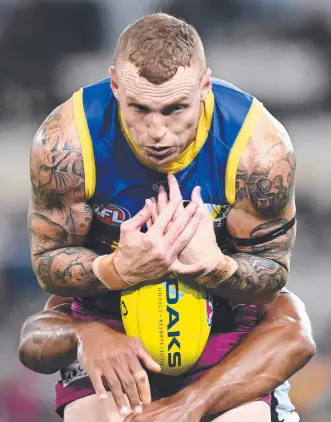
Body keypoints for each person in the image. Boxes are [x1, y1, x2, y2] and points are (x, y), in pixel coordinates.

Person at [28, 12, 298, 421]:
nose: (156, 132)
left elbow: (273, 279)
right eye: (139, 109)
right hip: (111, 327)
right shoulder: (66, 143)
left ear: (204, 86)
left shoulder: (258, 150)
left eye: (175, 109)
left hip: (223, 327)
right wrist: (118, 269)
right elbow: (48, 264)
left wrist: (216, 266)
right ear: (115, 85)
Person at [19, 290, 315, 422]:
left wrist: (190, 404)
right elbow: (33, 343)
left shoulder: (239, 275)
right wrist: (84, 334)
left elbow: (296, 337)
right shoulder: (92, 284)